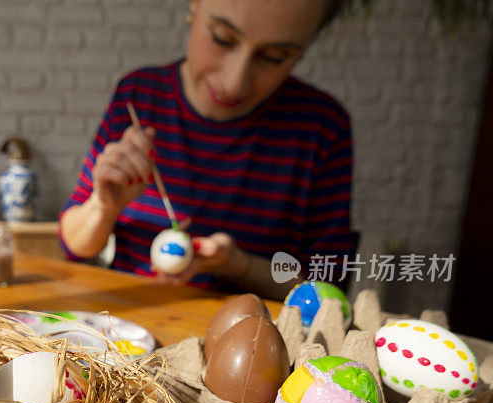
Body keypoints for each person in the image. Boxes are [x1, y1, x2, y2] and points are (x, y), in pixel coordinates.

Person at [58, 0, 354, 301]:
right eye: (222, 38)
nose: (233, 84)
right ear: (195, 6)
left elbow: (326, 294)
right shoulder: (139, 96)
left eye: (275, 57)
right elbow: (72, 245)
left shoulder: (322, 127)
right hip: (128, 331)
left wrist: (239, 265)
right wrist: (103, 207)